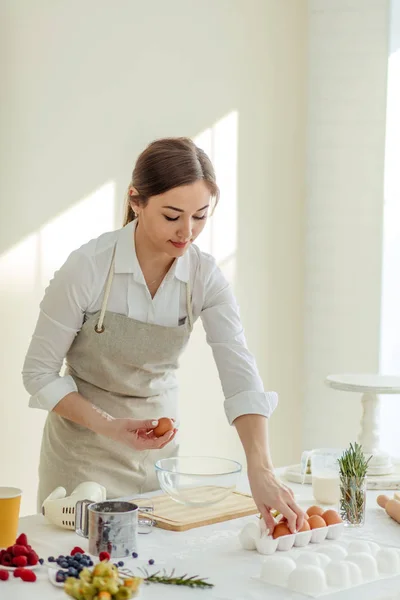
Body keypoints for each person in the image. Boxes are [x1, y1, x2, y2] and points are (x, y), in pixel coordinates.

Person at [22, 137, 305, 533]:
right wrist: (109, 425)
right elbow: (38, 373)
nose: (187, 232)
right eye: (172, 216)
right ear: (136, 201)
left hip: (157, 463)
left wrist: (262, 469)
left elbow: (239, 372)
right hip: (82, 455)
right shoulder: (87, 268)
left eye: (200, 216)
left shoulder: (205, 276)